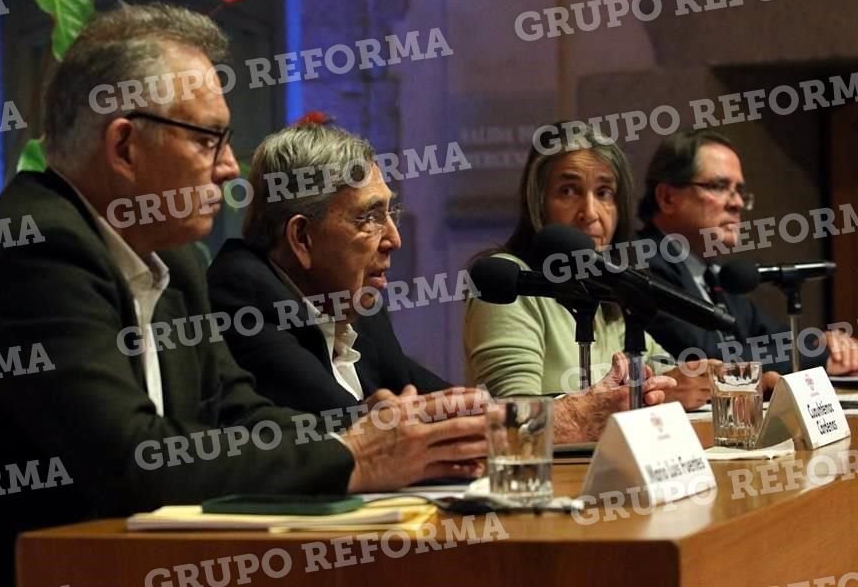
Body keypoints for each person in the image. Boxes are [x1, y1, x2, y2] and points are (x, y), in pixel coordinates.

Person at [0, 4, 488, 587]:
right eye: (209, 140)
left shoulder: (174, 259)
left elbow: (237, 412)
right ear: (124, 146)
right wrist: (356, 456)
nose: (231, 168)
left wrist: (370, 432)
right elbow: (136, 463)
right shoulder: (36, 251)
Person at [208, 125, 451, 416]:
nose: (394, 240)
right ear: (301, 238)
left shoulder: (356, 306)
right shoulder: (243, 295)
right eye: (370, 217)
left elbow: (439, 401)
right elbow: (347, 432)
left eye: (390, 213)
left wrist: (495, 414)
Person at [465, 124, 709, 408]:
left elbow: (669, 373)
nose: (590, 213)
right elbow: (513, 414)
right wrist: (637, 399)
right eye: (568, 191)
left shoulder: (607, 290)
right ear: (538, 202)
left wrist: (725, 380)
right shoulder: (509, 282)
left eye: (604, 193)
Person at [636, 129, 858, 377]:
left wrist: (824, 342)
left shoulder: (717, 275)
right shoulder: (642, 263)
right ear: (667, 197)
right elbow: (708, 358)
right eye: (719, 186)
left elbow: (776, 338)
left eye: (739, 191)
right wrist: (821, 355)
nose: (738, 203)